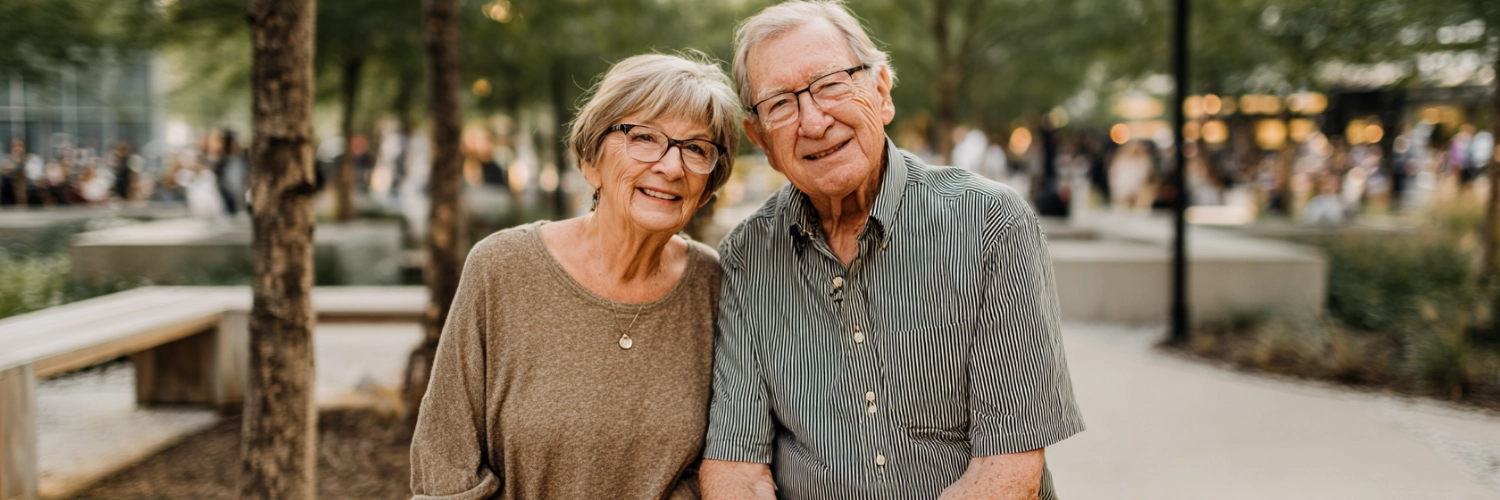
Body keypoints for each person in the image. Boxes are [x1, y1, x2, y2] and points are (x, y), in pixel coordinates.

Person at [700, 2, 1084, 499]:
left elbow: (1006, 471)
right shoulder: (746, 257)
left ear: (881, 92)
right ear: (761, 140)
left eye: (831, 84)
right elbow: (737, 471)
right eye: (780, 104)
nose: (813, 121)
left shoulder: (990, 222)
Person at [409, 52, 740, 500]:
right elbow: (445, 462)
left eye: (697, 148)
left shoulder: (716, 286)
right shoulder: (502, 267)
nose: (671, 166)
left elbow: (729, 462)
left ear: (708, 186)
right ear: (591, 161)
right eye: (644, 137)